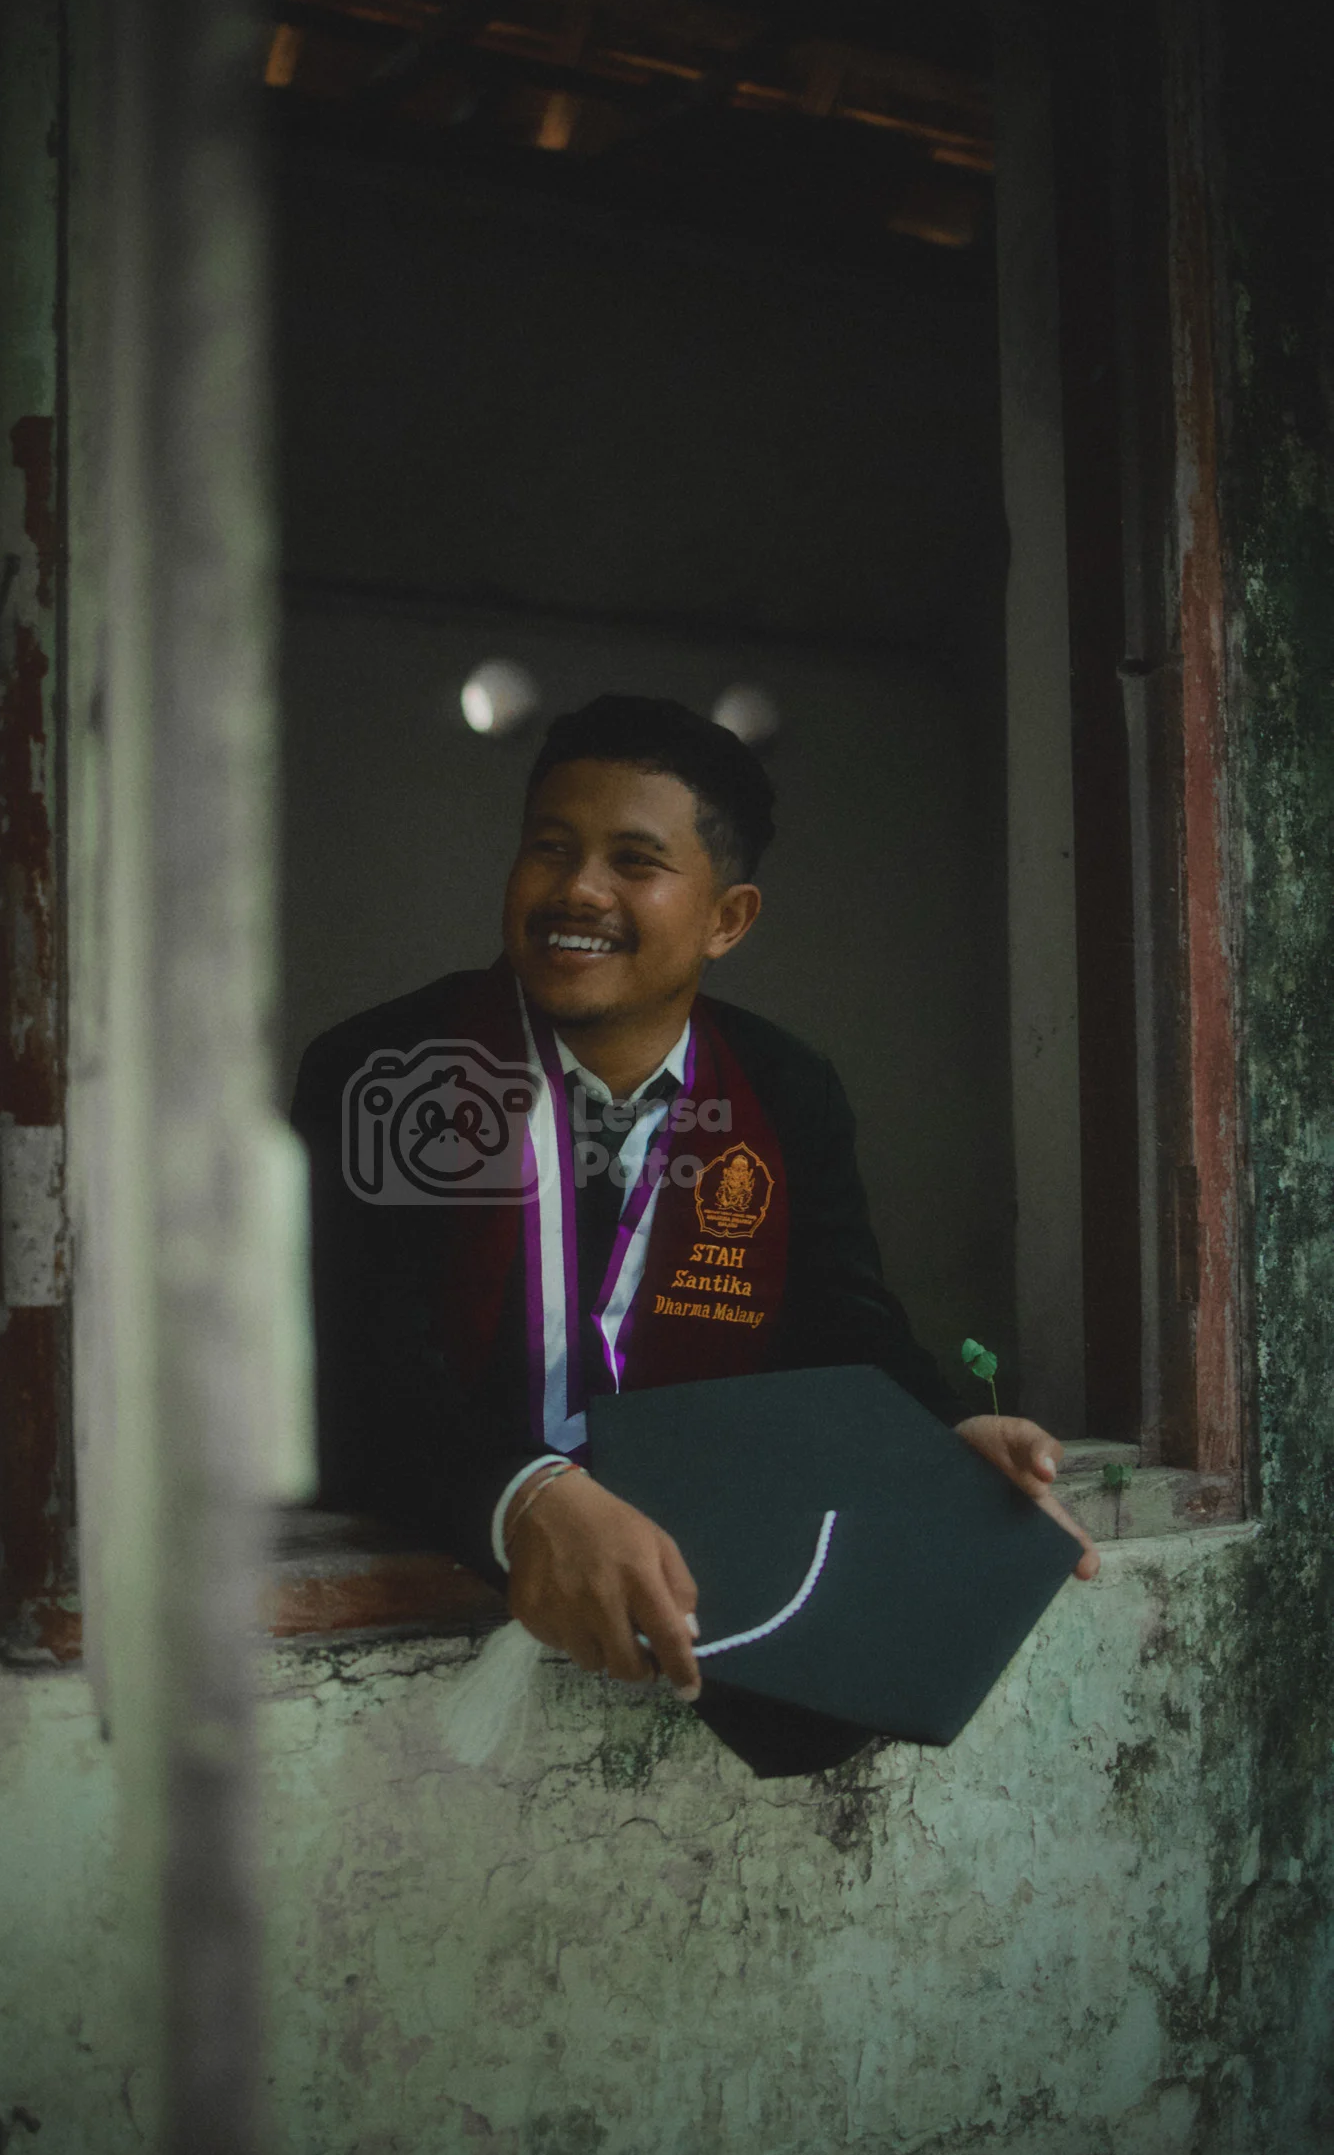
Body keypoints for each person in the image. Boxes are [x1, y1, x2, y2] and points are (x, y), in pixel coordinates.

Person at [291, 696, 1098, 1775]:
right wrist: (525, 1496)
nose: (578, 888)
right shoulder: (387, 1071)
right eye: (549, 848)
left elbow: (841, 1327)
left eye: (635, 860)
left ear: (727, 919)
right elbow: (352, 1371)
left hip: (692, 1580)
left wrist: (942, 1437)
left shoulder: (781, 1090)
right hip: (426, 1606)